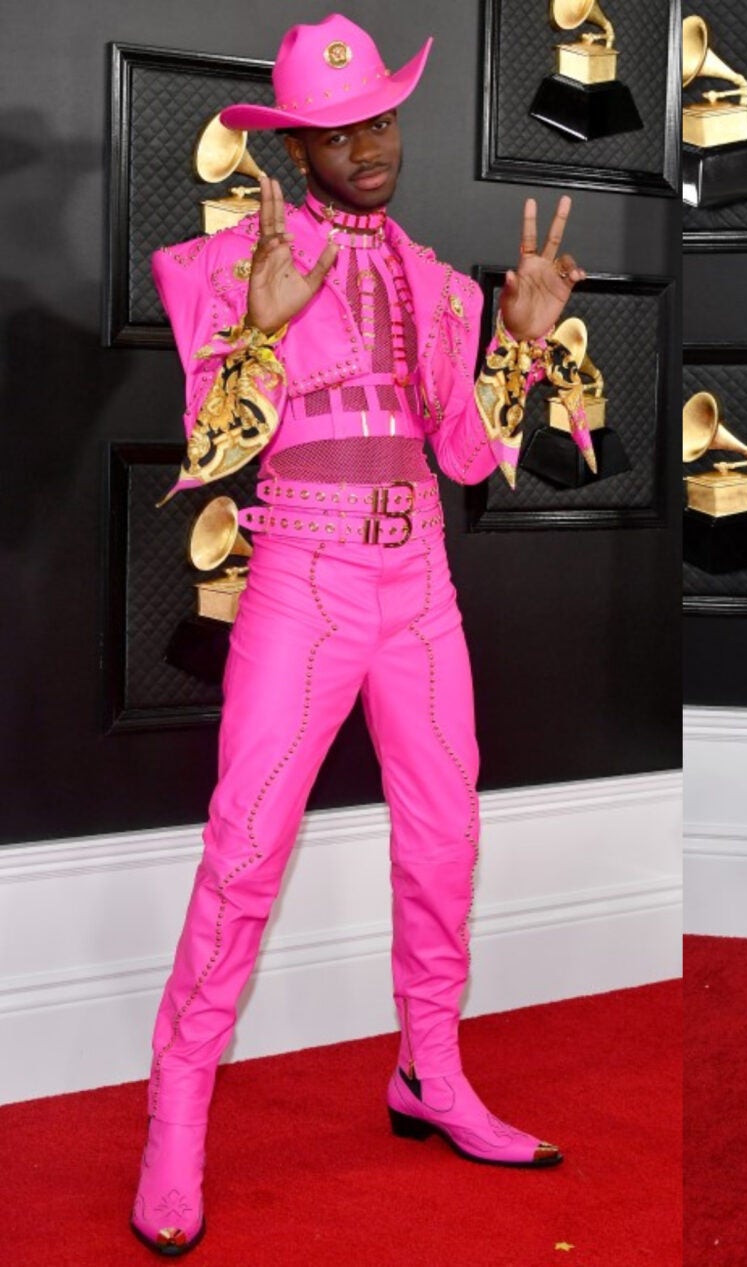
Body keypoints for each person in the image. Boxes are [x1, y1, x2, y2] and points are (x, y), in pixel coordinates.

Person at [134, 14, 586, 1255]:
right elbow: (213, 447)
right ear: (295, 151)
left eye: (380, 119)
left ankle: (428, 1071)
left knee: (445, 840)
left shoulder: (441, 284)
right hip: (303, 577)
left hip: (420, 585)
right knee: (245, 848)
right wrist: (264, 330)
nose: (369, 146)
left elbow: (465, 456)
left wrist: (521, 342)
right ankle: (177, 1107)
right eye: (337, 133)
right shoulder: (231, 264)